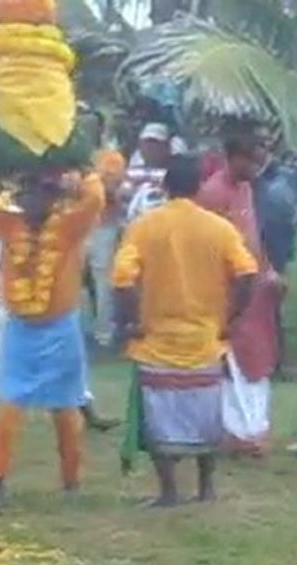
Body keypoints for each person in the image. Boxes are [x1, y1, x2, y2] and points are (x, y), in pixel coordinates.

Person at [113, 155, 258, 507]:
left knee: (158, 419)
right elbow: (248, 274)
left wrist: (133, 322)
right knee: (205, 416)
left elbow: (122, 280)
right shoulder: (219, 228)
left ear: (164, 187)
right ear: (198, 187)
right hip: (205, 340)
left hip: (157, 342)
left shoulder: (145, 226)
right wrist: (231, 318)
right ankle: (206, 488)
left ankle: (169, 492)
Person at [0, 170, 105, 512]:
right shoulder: (8, 225)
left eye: (43, 193)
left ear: (56, 197)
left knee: (65, 410)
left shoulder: (71, 226)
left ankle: (71, 484)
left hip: (62, 329)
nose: (33, 201)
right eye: (27, 194)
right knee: (10, 409)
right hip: (21, 331)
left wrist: (81, 174)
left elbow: (96, 197)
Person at [199, 133, 283, 454]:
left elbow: (253, 239)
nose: (257, 167)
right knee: (233, 362)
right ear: (232, 157)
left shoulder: (246, 188)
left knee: (256, 358)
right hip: (228, 292)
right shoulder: (212, 194)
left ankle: (253, 428)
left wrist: (269, 271)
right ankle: (237, 433)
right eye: (252, 160)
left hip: (255, 290)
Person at [79, 106, 127, 347]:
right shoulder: (70, 154)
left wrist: (85, 178)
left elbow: (109, 191)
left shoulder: (111, 157)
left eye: (89, 125)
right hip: (75, 224)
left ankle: (104, 335)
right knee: (71, 277)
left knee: (102, 279)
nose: (85, 130)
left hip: (103, 225)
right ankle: (77, 331)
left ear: (100, 129)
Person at [253, 124, 297, 372]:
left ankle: (276, 358)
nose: (263, 147)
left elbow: (286, 214)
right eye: (258, 142)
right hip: (248, 245)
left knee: (272, 304)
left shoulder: (281, 176)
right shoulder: (244, 175)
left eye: (267, 142)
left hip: (274, 246)